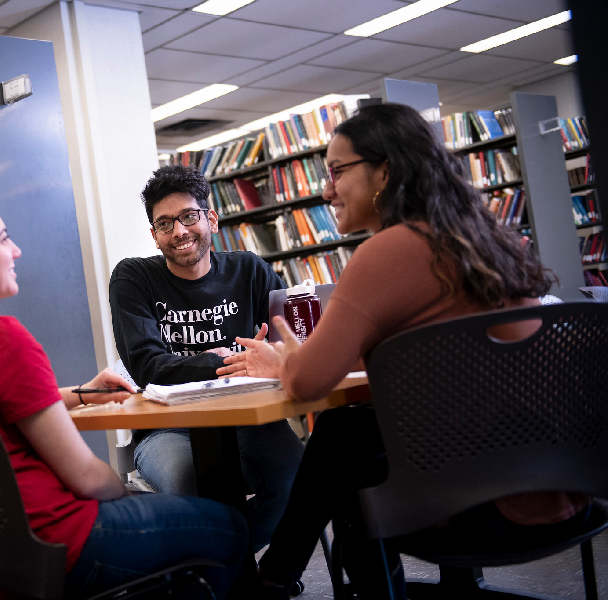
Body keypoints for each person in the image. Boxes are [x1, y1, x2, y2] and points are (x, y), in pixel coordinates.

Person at [217, 103, 593, 599]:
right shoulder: (483, 238)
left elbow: (308, 384)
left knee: (347, 459)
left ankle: (273, 579)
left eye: (336, 171)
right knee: (350, 431)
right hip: (565, 482)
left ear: (385, 171)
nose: (326, 189)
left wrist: (285, 361)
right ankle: (275, 577)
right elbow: (418, 359)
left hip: (486, 505)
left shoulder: (389, 250)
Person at [0, 187, 249, 600]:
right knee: (228, 525)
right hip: (60, 543)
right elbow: (87, 478)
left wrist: (78, 394)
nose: (18, 251)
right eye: (4, 238)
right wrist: (125, 495)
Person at [109, 164, 304, 548]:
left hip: (249, 419)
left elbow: (295, 344)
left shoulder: (249, 270)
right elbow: (148, 367)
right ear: (154, 235)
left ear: (211, 219)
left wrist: (275, 356)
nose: (178, 231)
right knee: (196, 491)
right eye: (165, 224)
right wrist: (232, 362)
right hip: (167, 427)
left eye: (188, 216)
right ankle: (223, 571)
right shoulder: (133, 279)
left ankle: (224, 571)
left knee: (298, 477)